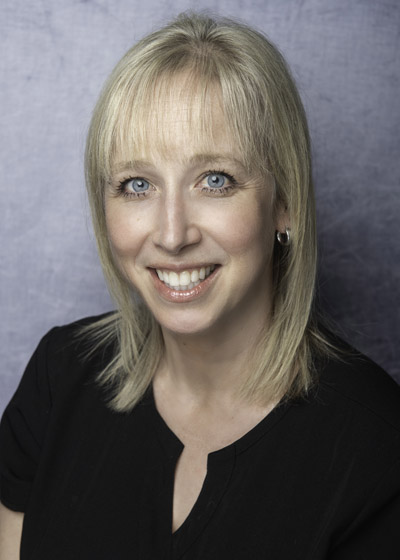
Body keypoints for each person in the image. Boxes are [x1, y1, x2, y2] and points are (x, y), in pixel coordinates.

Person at [0, 12, 399, 559]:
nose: (172, 234)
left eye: (215, 180)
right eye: (136, 185)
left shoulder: (376, 446)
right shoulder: (58, 376)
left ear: (284, 203)